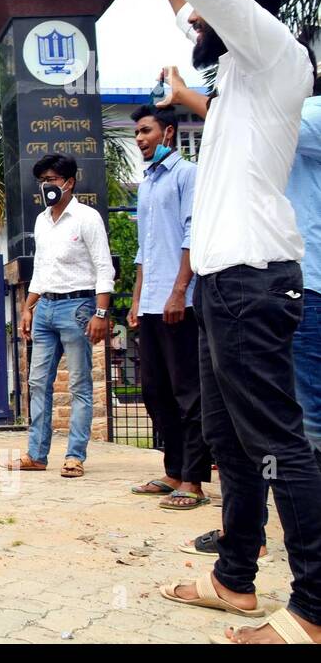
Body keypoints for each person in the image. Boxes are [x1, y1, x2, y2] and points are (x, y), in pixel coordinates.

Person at [83, 0, 321, 643]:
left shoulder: (276, 56)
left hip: (255, 281)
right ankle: (235, 579)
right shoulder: (239, 94)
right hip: (226, 284)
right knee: (231, 440)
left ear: (240, 11)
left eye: (203, 15)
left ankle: (315, 609)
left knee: (278, 440)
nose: (190, 24)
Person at [4, 154, 114, 477]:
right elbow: (40, 269)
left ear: (69, 182)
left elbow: (104, 268)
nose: (47, 186)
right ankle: (36, 454)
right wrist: (28, 307)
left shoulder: (87, 218)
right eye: (43, 181)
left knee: (79, 383)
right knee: (38, 382)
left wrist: (101, 313)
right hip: (45, 308)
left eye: (52, 179)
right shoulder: (41, 221)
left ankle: (75, 456)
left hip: (78, 306)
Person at [125, 104, 209, 509]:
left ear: (169, 133)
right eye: (137, 133)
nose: (140, 139)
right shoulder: (146, 183)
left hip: (183, 302)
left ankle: (193, 479)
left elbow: (193, 232)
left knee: (187, 393)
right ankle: (172, 470)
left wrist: (179, 291)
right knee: (154, 391)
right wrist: (138, 298)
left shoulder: (187, 175)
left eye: (146, 131)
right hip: (153, 303)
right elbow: (144, 247)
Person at [287, 90, 321, 458]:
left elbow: (272, 121)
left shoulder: (312, 112)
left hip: (308, 284)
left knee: (310, 409)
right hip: (287, 283)